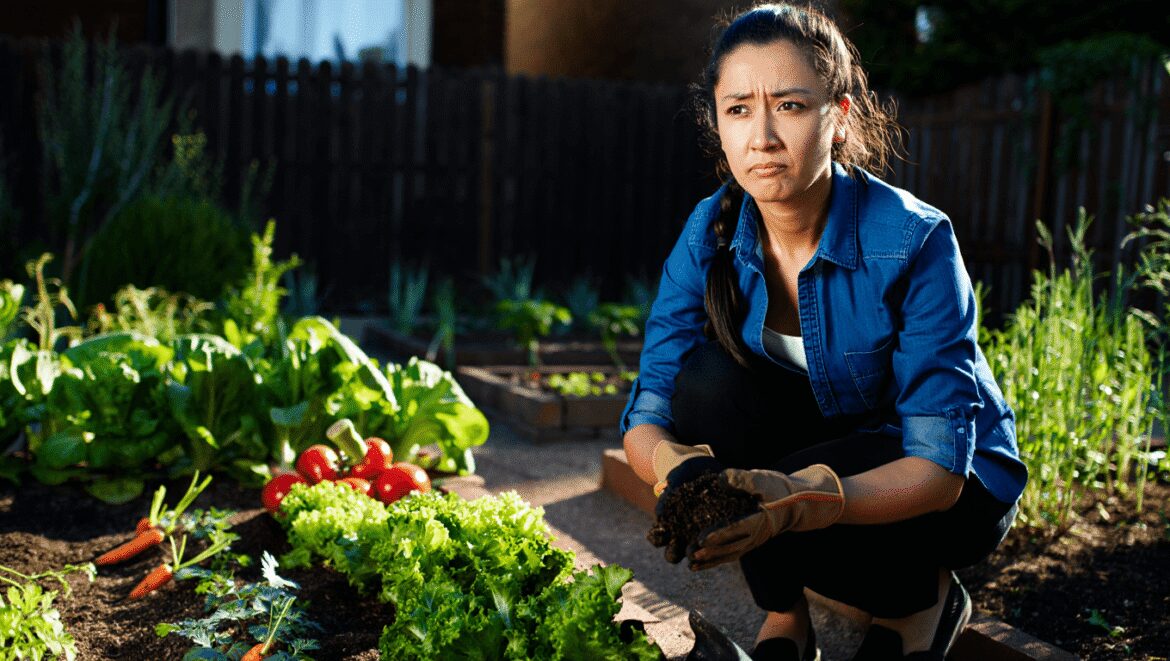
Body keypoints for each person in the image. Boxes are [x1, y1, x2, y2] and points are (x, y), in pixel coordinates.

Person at [620, 4, 1028, 661]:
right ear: (717, 123)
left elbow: (940, 468)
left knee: (787, 480)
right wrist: (679, 469)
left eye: (790, 105)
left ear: (837, 116)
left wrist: (796, 501)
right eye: (738, 109)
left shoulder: (913, 238)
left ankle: (920, 600)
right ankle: (786, 612)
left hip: (948, 486)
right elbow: (649, 411)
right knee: (708, 390)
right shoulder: (710, 230)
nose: (762, 137)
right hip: (825, 454)